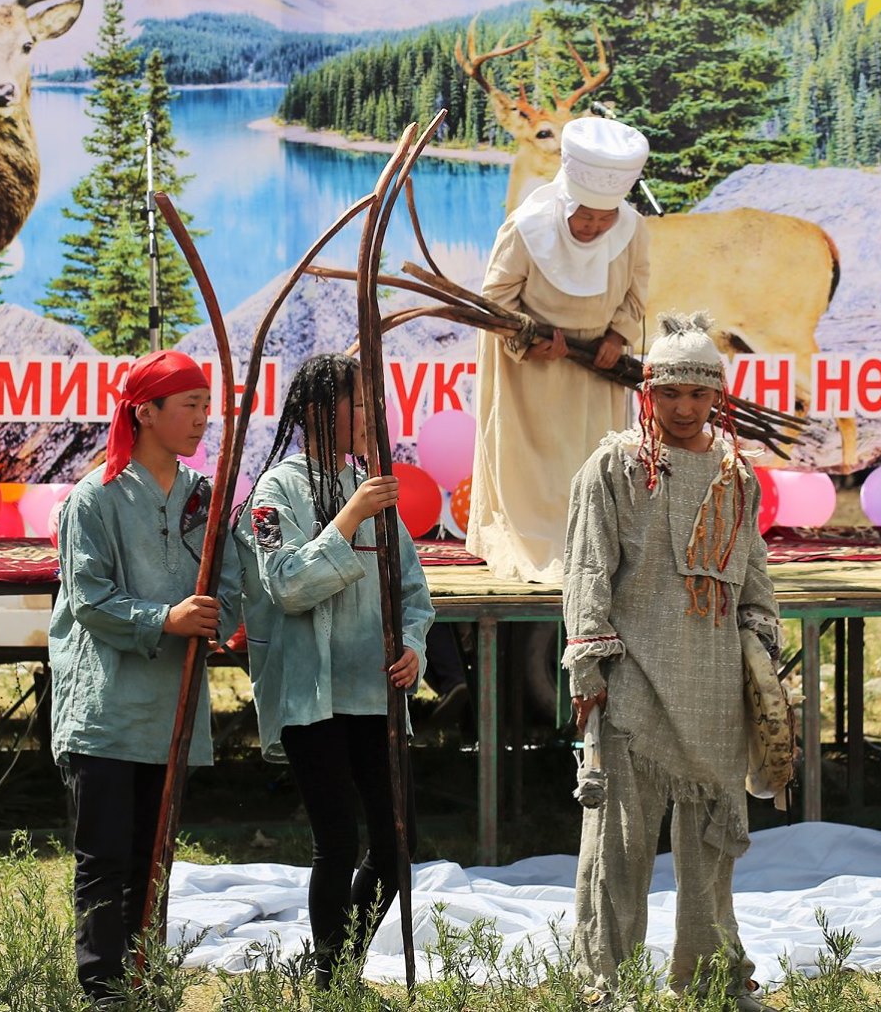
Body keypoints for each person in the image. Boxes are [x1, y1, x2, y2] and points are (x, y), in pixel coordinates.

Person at [563, 311, 779, 1012]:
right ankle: (608, 981)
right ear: (647, 390)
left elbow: (754, 578)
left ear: (718, 395)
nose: (684, 408)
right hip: (632, 683)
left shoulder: (735, 475)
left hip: (713, 684)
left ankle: (713, 974)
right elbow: (588, 570)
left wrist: (760, 661)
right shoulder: (615, 467)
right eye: (670, 393)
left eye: (699, 393)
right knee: (620, 849)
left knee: (711, 847)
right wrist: (587, 668)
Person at [48, 348, 241, 998]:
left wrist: (215, 615)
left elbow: (231, 581)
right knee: (105, 860)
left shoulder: (202, 499)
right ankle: (105, 989)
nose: (202, 420)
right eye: (190, 405)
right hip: (105, 709)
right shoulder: (94, 497)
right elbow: (89, 598)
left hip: (169, 712)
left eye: (206, 407)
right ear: (145, 410)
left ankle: (145, 979)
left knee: (154, 861)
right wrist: (167, 617)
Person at [238, 353, 433, 988]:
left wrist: (412, 646)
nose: (369, 415)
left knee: (396, 844)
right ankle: (332, 980)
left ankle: (335, 966)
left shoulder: (370, 485)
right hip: (311, 694)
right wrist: (349, 518)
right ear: (322, 411)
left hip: (375, 691)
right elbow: (288, 585)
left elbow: (413, 593)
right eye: (358, 403)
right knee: (338, 843)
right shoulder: (275, 493)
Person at [468, 115, 653, 584]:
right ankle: (533, 543)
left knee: (589, 461)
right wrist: (527, 343)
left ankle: (590, 549)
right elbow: (495, 300)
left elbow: (636, 292)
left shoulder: (630, 230)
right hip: (533, 375)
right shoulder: (526, 227)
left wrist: (616, 337)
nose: (592, 227)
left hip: (595, 371)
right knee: (535, 468)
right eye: (584, 216)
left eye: (602, 218)